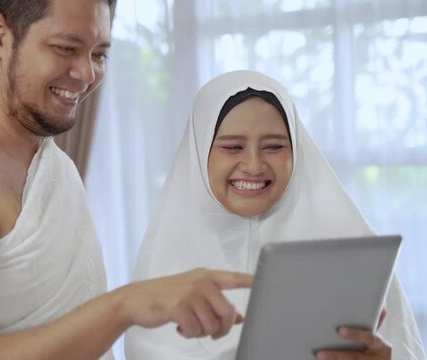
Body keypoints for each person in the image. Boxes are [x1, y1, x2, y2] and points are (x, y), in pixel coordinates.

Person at [0, 1, 253, 359]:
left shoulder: (52, 164)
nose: (87, 73)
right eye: (66, 48)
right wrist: (126, 305)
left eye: (99, 54)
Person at [125, 70, 426, 360]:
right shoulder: (165, 261)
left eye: (274, 146)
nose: (254, 165)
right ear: (199, 150)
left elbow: (398, 348)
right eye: (232, 147)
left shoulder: (353, 247)